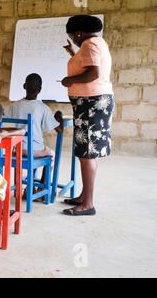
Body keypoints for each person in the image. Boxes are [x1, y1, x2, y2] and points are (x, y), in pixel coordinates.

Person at [60, 15, 115, 216]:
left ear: (79, 33)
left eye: (72, 35)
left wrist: (69, 80)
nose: (73, 39)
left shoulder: (90, 44)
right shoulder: (97, 43)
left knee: (87, 153)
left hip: (91, 104)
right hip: (92, 103)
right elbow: (89, 65)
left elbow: (93, 73)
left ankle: (87, 204)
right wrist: (74, 53)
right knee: (88, 152)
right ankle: (85, 196)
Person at [3, 73, 64, 198]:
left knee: (39, 149)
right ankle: (41, 189)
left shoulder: (15, 105)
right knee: (51, 154)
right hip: (34, 151)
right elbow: (59, 130)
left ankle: (29, 188)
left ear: (24, 86)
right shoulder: (43, 108)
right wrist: (59, 117)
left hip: (17, 150)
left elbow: (0, 116)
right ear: (40, 90)